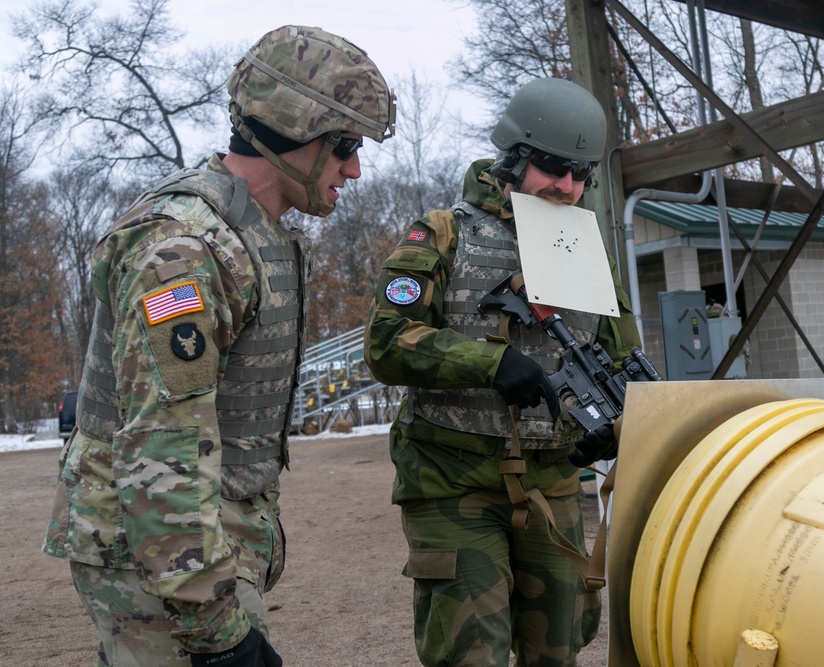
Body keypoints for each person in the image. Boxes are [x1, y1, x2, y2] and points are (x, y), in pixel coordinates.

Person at [43, 25, 394, 666]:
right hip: (155, 561)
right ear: (291, 129)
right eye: (343, 144)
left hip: (189, 550)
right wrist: (216, 632)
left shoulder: (248, 233)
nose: (355, 167)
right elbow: (162, 450)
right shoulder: (182, 252)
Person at [364, 77, 642, 666]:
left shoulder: (589, 252)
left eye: (580, 173)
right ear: (514, 159)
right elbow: (386, 342)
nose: (567, 187)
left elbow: (621, 361)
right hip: (453, 482)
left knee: (558, 652)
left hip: (553, 481)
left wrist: (609, 428)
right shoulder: (444, 234)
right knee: (471, 655)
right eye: (551, 167)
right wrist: (490, 362)